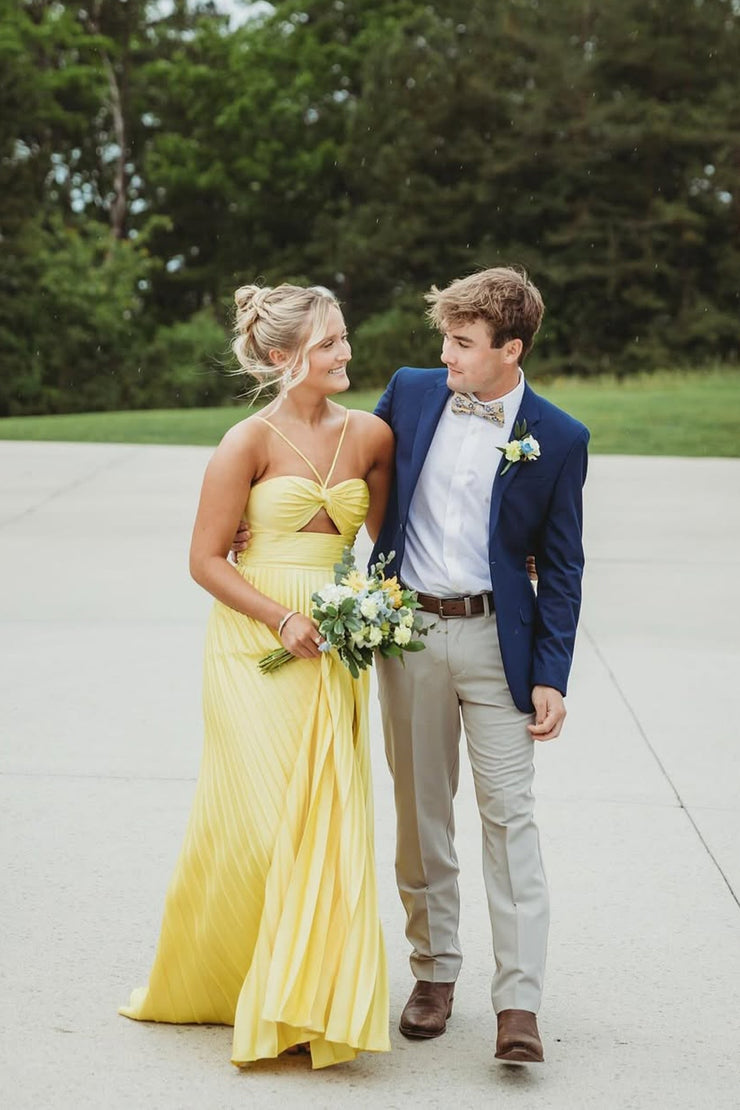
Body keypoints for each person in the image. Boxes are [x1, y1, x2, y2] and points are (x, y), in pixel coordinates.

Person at [120, 283, 394, 1070]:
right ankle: (231, 976)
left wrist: (372, 608)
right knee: (259, 819)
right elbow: (205, 560)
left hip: (336, 645)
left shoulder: (372, 436)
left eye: (343, 338)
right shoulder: (245, 442)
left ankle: (308, 1000)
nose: (345, 353)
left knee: (326, 820)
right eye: (329, 344)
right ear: (282, 357)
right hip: (254, 643)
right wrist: (279, 617)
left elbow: (397, 540)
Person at [371, 266, 589, 1064]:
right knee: (422, 817)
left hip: (503, 649)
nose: (446, 355)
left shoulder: (559, 438)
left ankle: (519, 1004)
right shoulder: (412, 391)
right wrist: (267, 515)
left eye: (462, 343)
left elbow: (562, 566)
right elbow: (349, 470)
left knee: (510, 818)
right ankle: (433, 973)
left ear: (510, 348)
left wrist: (551, 675)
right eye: (445, 338)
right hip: (411, 638)